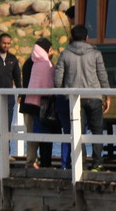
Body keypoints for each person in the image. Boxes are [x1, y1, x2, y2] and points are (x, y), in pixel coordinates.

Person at [52, 24, 111, 170]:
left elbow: (57, 78)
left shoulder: (65, 54)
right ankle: (97, 163)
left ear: (71, 37)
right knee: (97, 130)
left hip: (74, 99)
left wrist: (64, 93)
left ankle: (82, 164)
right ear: (87, 38)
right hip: (94, 97)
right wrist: (107, 95)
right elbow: (102, 75)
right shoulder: (95, 54)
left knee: (78, 132)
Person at [20, 37, 58, 168]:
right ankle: (33, 162)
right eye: (50, 49)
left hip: (29, 104)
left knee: (32, 135)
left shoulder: (28, 62)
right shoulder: (42, 64)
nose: (52, 52)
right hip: (39, 105)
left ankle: (32, 161)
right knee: (37, 135)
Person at [0, 32, 22, 160]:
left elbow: (17, 78)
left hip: (9, 97)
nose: (6, 45)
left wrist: (20, 93)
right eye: (4, 43)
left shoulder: (13, 59)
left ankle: (5, 152)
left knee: (6, 123)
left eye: (8, 43)